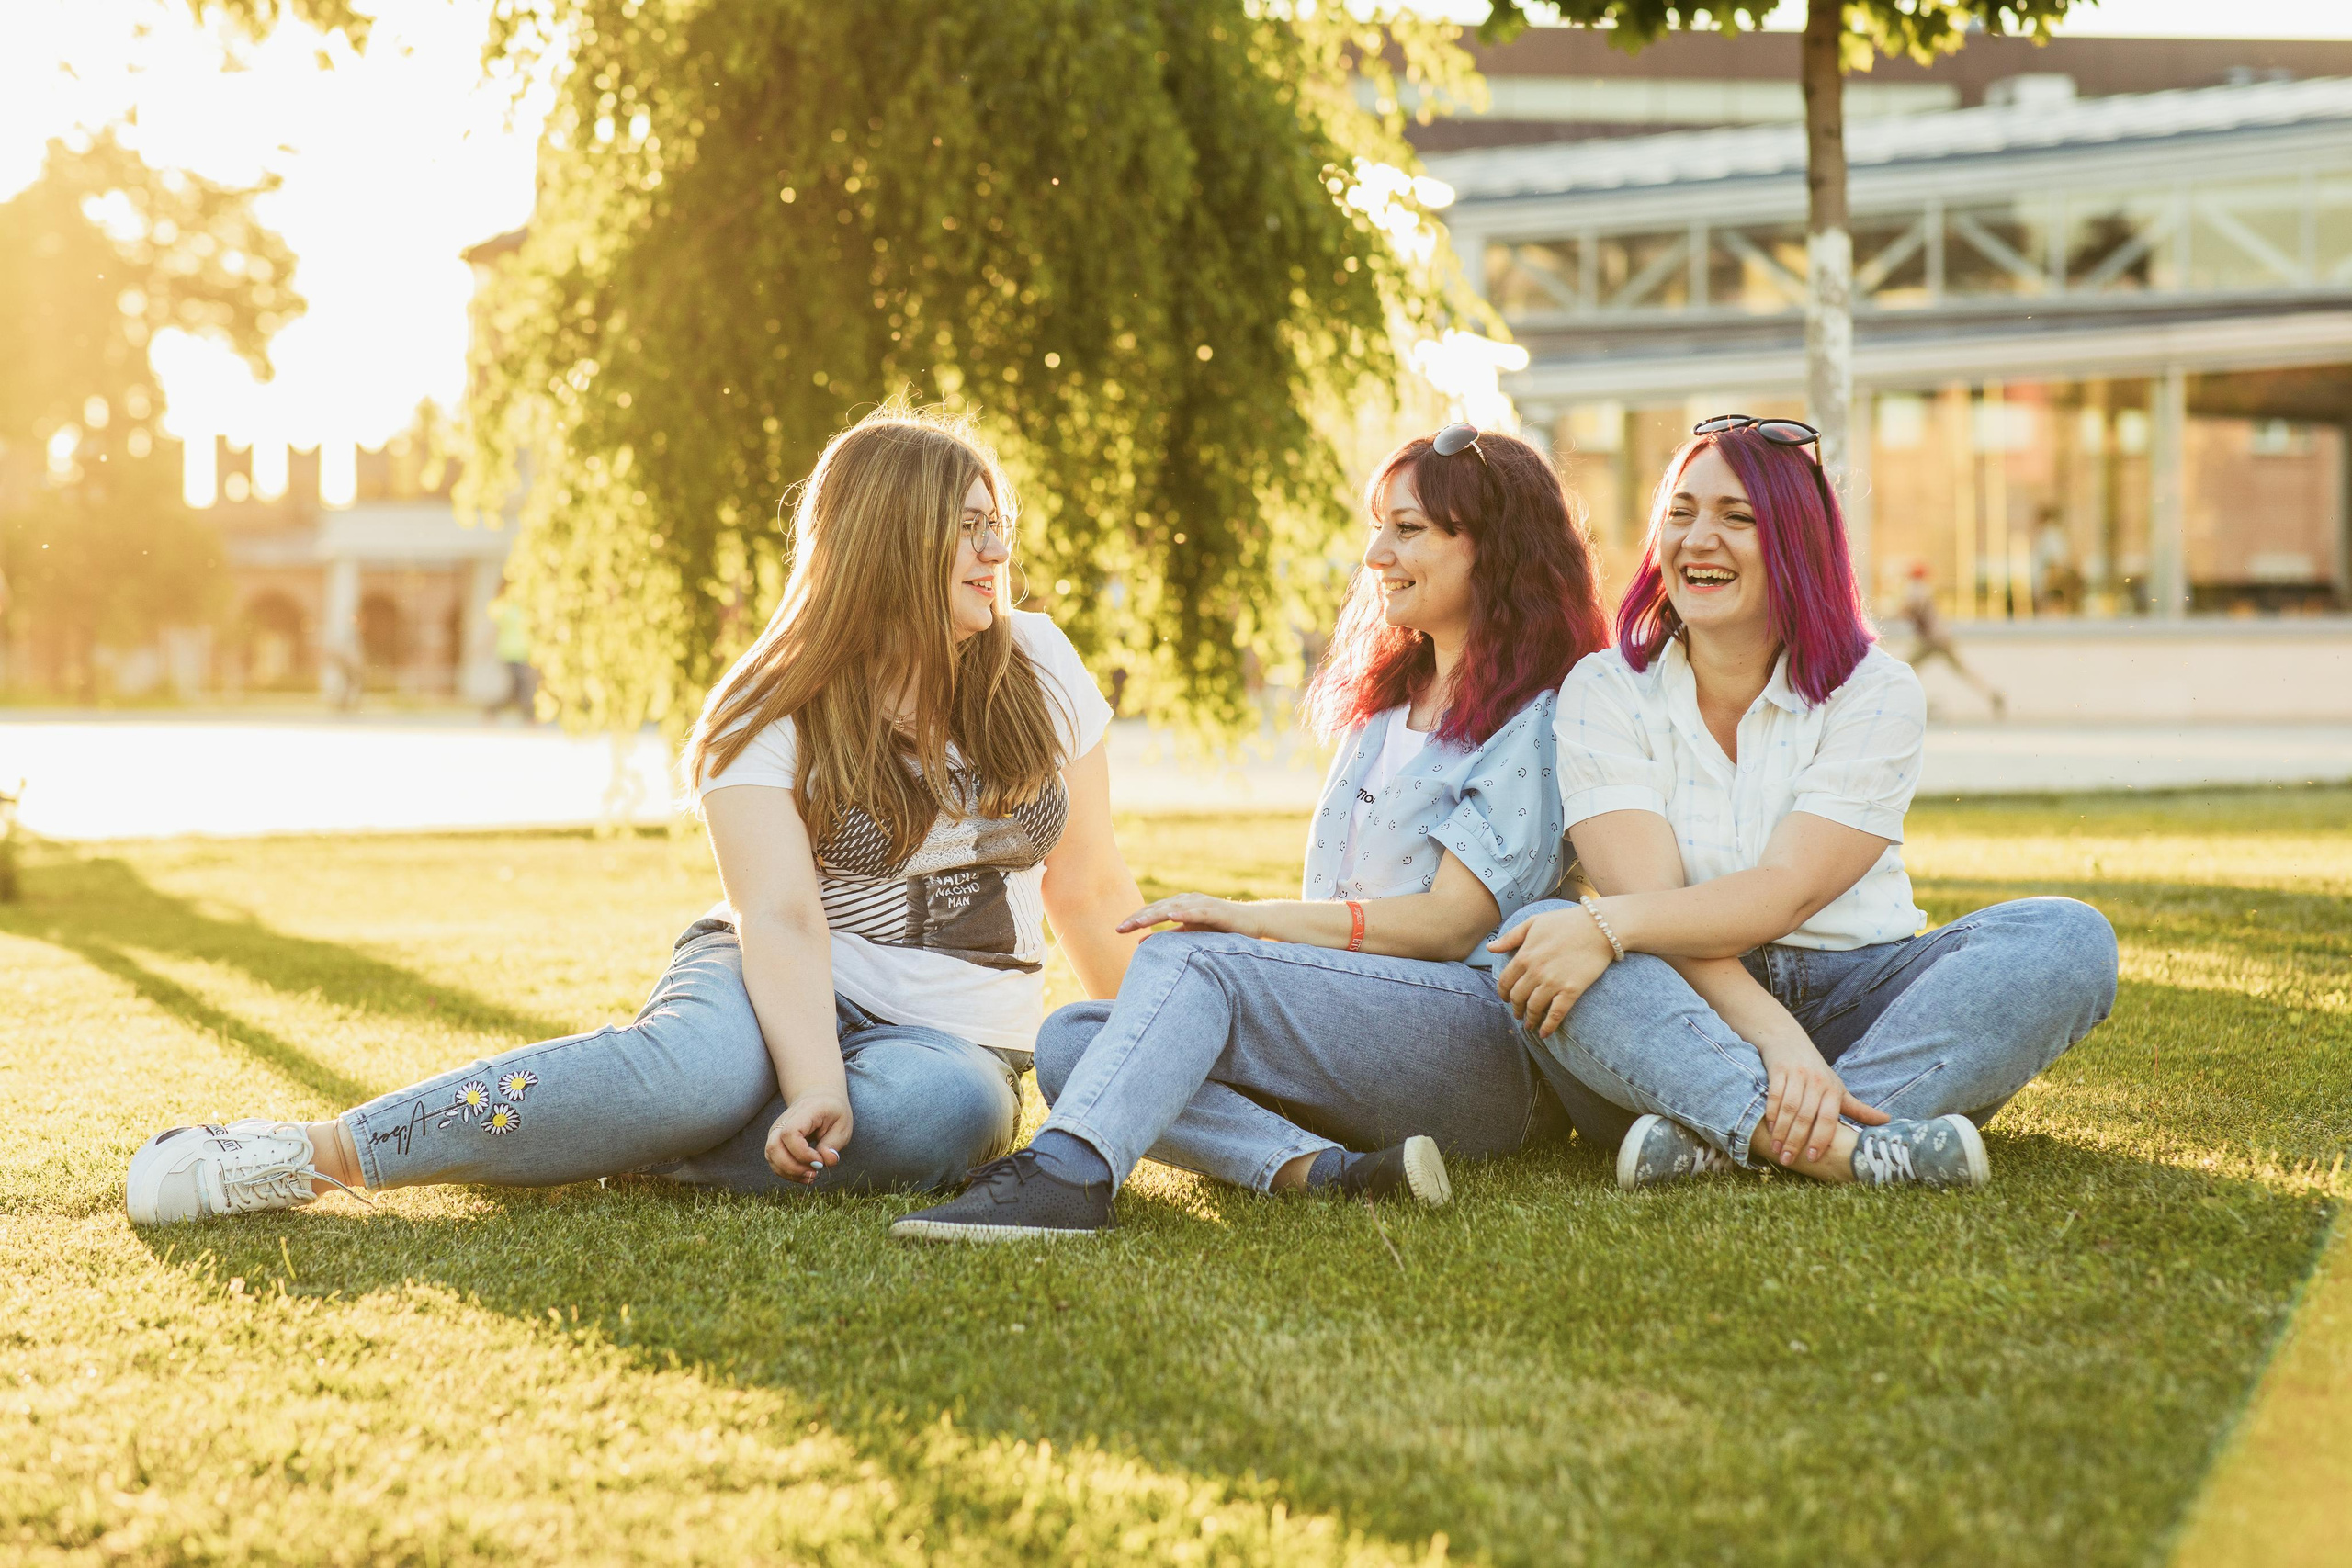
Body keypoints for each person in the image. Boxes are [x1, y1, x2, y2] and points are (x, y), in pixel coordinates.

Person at [126, 407, 1146, 1224]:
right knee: (697, 1077)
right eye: (963, 526)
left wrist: (1178, 1055)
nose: (993, 547)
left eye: (994, 520)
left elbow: (1089, 887)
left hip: (949, 1040)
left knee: (940, 1116)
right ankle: (315, 1155)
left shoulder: (1041, 664)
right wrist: (814, 1078)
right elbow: (780, 919)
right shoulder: (765, 710)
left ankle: (616, 1143)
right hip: (769, 973)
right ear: (886, 541)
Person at [891, 421, 1611, 1242]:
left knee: (1193, 952)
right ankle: (1330, 1173)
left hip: (1485, 1050)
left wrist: (1253, 923)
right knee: (1073, 1040)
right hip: (1350, 1030)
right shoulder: (1385, 707)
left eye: (1407, 530)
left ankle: (1066, 1174)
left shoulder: (1542, 715)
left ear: (1498, 548)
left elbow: (1452, 924)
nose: (1376, 554)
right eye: (1378, 527)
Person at [1492, 414, 2118, 1193]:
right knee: (1541, 939)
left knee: (2067, 938)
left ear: (1796, 542)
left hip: (1863, 988)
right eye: (1680, 514)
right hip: (1681, 1007)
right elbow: (1649, 904)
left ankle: (1725, 1136)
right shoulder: (1603, 688)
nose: (1697, 539)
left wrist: (1611, 927)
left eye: (1737, 517)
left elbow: (1786, 890)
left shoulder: (1877, 691)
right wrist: (1773, 1035)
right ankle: (1845, 1152)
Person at [1897, 561, 2006, 718]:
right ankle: (1991, 694)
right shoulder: (1924, 589)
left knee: (1905, 670)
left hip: (1930, 640)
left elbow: (1910, 610)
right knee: (1961, 670)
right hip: (1941, 638)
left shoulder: (1917, 590)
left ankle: (1909, 703)